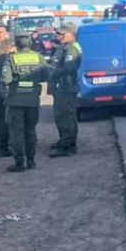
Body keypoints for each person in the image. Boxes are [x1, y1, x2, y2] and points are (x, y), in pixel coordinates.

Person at [1, 34, 51, 172]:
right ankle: (31, 161)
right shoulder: (38, 57)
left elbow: (5, 79)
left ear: (16, 45)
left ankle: (19, 163)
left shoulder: (11, 58)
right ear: (29, 43)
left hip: (15, 100)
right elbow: (45, 76)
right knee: (30, 131)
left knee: (17, 132)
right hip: (32, 100)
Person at [48, 23, 83, 158]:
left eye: (62, 34)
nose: (59, 36)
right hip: (65, 87)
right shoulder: (67, 47)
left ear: (71, 35)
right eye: (58, 34)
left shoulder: (72, 49)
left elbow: (69, 68)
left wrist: (53, 71)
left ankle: (66, 146)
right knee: (68, 116)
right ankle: (67, 142)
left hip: (65, 88)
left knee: (64, 116)